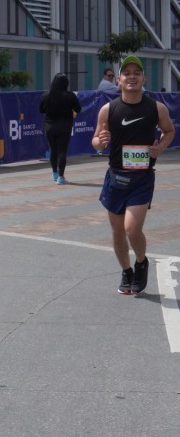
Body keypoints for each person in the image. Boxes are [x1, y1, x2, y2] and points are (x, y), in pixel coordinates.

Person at [92, 55, 175, 296]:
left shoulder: (156, 108)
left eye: (136, 73)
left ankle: (141, 262)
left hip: (142, 178)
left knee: (131, 228)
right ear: (118, 80)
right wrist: (101, 142)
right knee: (118, 231)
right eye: (126, 73)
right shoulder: (108, 110)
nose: (131, 77)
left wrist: (160, 147)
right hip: (115, 176)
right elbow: (96, 141)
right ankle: (126, 271)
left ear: (143, 79)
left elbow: (169, 131)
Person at [39, 73, 82, 185]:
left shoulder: (46, 96)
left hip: (50, 126)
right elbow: (78, 109)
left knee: (53, 150)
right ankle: (61, 177)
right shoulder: (70, 95)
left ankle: (54, 173)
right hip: (65, 126)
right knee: (62, 151)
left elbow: (41, 110)